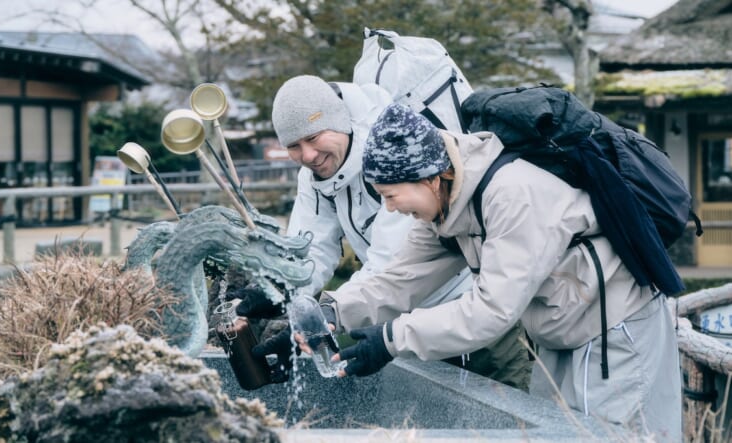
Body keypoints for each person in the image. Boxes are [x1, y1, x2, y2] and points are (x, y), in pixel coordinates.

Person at [318, 102, 681, 441]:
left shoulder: (512, 195)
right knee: (554, 434)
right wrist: (330, 312)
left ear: (429, 178)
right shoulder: (445, 209)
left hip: (616, 328)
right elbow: (398, 280)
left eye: (391, 195)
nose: (390, 208)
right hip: (563, 331)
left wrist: (392, 339)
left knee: (611, 437)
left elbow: (491, 310)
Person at [236, 74, 531, 390]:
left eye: (314, 137)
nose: (307, 155)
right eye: (294, 146)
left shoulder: (393, 159)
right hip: (409, 326)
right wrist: (284, 294)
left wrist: (343, 324)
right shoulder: (316, 177)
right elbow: (313, 253)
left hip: (470, 319)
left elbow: (393, 269)